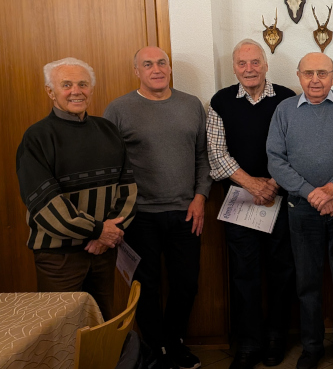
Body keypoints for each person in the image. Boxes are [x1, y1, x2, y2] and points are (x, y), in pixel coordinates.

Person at [266, 52, 333, 369]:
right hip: (301, 207)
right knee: (307, 283)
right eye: (309, 73)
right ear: (299, 76)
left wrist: (332, 189)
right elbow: (275, 160)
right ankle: (311, 347)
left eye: (322, 73)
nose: (315, 80)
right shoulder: (284, 110)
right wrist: (311, 192)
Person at [104, 46, 211, 369]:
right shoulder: (118, 109)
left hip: (186, 212)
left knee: (186, 283)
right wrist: (116, 213)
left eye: (162, 62)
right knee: (145, 286)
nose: (156, 69)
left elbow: (202, 156)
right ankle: (156, 350)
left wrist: (201, 196)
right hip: (139, 216)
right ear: (136, 71)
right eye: (148, 64)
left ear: (169, 68)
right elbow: (109, 165)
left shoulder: (191, 105)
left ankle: (174, 343)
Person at [16, 57, 137, 321]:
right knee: (61, 328)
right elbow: (45, 205)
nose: (76, 91)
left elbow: (127, 189)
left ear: (91, 89)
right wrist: (98, 231)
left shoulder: (108, 130)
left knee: (101, 324)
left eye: (83, 84)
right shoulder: (37, 137)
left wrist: (107, 236)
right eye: (66, 85)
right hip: (59, 257)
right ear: (50, 92)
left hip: (104, 251)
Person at [207, 39, 297, 368]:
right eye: (242, 63)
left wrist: (273, 183)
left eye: (255, 62)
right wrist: (253, 184)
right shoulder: (220, 102)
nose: (249, 69)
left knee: (282, 272)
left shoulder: (287, 98)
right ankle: (248, 343)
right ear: (234, 68)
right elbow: (217, 154)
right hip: (240, 201)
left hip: (281, 199)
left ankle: (276, 338)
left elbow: (296, 147)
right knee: (244, 275)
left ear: (266, 65)